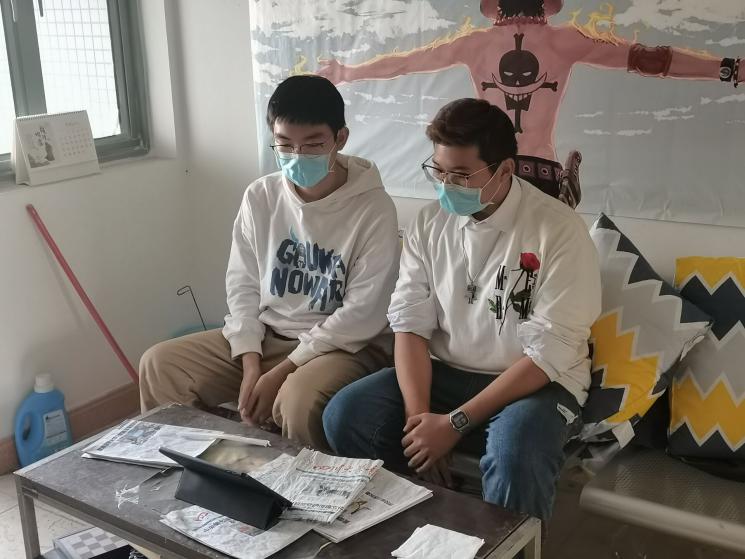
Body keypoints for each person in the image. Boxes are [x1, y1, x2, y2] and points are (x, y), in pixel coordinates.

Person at [323, 98, 601, 522]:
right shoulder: (429, 222)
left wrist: (453, 425)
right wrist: (422, 425)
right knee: (346, 415)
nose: (445, 185)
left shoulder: (559, 229)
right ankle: (411, 526)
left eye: (460, 175)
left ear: (504, 170)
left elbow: (549, 353)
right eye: (438, 171)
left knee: (517, 451)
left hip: (536, 384)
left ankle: (504, 547)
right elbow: (409, 324)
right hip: (448, 374)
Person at [140, 75, 399, 451]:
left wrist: (280, 371)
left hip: (342, 347)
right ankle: (186, 470)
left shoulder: (373, 208)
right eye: (285, 144)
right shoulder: (260, 196)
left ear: (340, 138)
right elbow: (242, 285)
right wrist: (250, 363)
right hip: (269, 335)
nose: (297, 156)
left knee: (297, 400)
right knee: (160, 364)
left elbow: (362, 316)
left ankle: (301, 485)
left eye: (313, 145)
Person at [318, 0, 744, 203]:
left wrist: (347, 72)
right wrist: (727, 69)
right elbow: (651, 60)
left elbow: (406, 63)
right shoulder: (563, 40)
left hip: (492, 174)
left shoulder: (477, 43)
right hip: (532, 173)